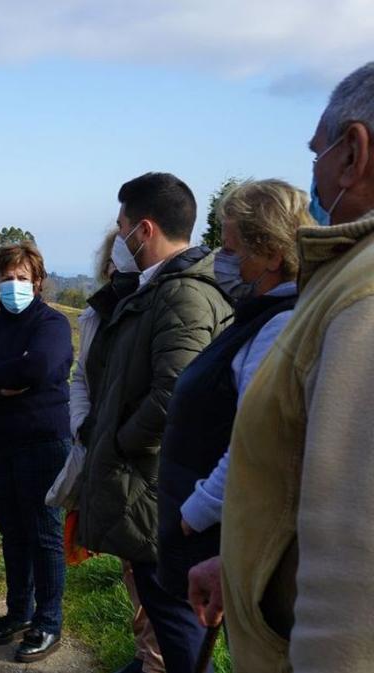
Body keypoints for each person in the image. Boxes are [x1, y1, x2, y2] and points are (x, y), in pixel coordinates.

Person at [215, 62, 374, 673]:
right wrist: (232, 563)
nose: (312, 172)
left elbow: (353, 557)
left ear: (352, 153)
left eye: (317, 153)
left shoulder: (361, 296)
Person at [78, 172, 233, 673]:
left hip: (156, 490)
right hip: (149, 489)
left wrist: (119, 444)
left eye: (121, 224)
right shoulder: (155, 290)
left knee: (180, 642)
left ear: (143, 230)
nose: (117, 235)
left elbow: (173, 394)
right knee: (167, 635)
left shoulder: (182, 295)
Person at [158, 180, 306, 610]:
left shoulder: (279, 325)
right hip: (197, 519)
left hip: (209, 527)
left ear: (273, 254)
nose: (221, 260)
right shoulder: (256, 316)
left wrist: (197, 512)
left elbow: (258, 437)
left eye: (231, 247)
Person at [0, 242, 74, 663]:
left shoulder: (52, 325)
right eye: (8, 278)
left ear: (37, 282)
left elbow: (39, 369)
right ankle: (18, 612)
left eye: (23, 278)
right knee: (13, 532)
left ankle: (49, 621)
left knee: (44, 533)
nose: (15, 284)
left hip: (42, 441)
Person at [54, 232, 163, 673]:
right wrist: (85, 425)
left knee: (154, 579)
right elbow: (83, 376)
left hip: (141, 462)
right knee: (133, 571)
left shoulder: (163, 304)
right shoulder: (99, 312)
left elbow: (162, 390)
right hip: (104, 454)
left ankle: (155, 663)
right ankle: (144, 657)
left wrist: (116, 437)